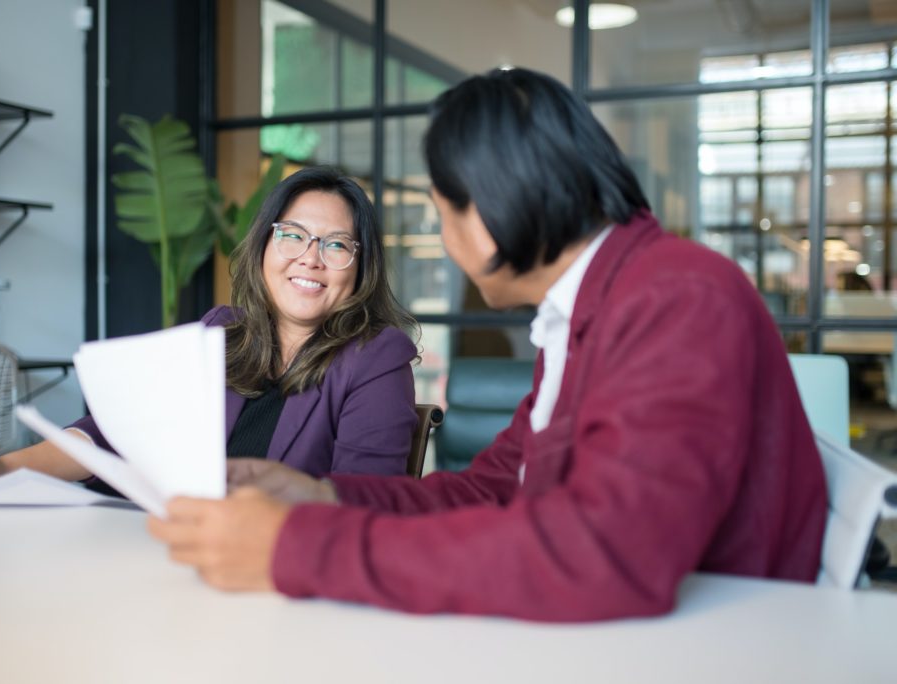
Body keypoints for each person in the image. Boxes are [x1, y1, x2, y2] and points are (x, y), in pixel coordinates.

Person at [146, 68, 828, 622]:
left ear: (491, 216)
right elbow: (491, 490)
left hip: (712, 643)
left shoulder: (676, 298)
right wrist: (320, 497)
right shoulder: (592, 309)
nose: (446, 241)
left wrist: (295, 548)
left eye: (443, 214)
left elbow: (606, 559)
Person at [0, 167, 420, 494]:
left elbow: (364, 498)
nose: (309, 257)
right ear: (264, 246)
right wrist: (5, 470)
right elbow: (112, 433)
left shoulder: (376, 356)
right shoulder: (222, 333)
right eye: (292, 235)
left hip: (276, 575)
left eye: (336, 245)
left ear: (360, 267)